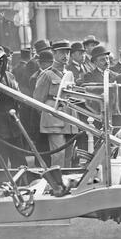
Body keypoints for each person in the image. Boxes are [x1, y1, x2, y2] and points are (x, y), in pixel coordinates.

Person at [33, 40, 78, 168]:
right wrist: (49, 114)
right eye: (62, 52)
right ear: (54, 53)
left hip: (69, 118)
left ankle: (66, 181)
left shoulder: (69, 74)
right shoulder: (47, 75)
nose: (65, 55)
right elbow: (37, 100)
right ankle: (57, 183)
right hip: (54, 119)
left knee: (69, 154)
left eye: (68, 52)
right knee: (58, 154)